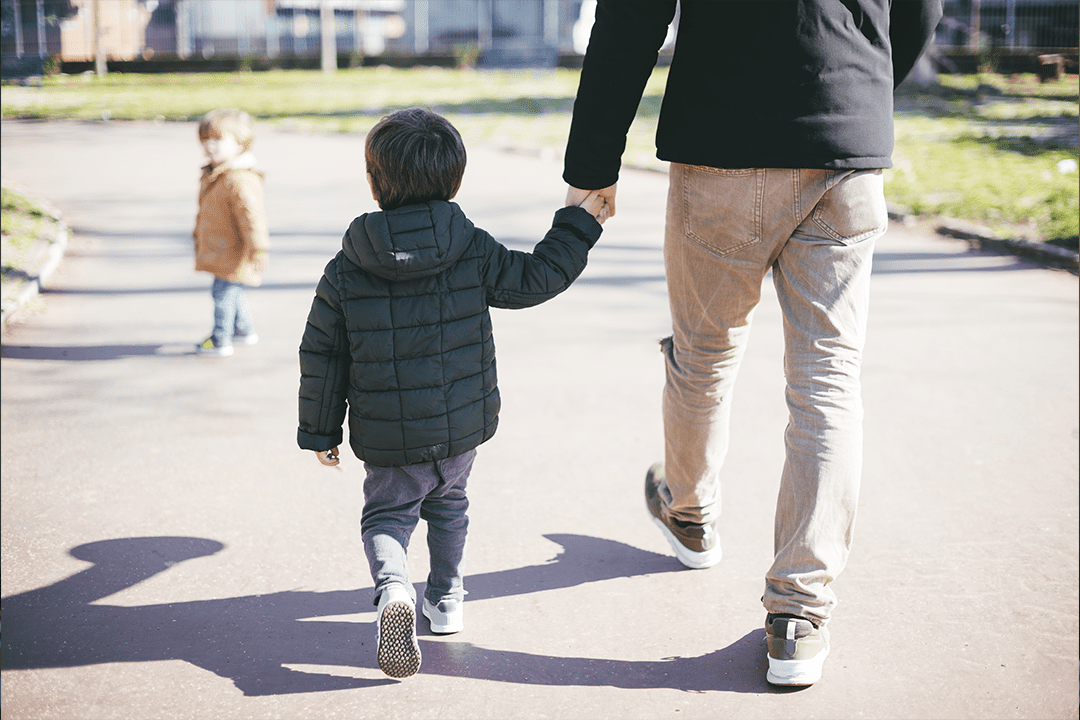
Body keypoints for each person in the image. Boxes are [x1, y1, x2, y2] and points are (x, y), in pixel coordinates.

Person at [563, 0, 941, 686]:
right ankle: (799, 615)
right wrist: (860, 95)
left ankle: (689, 509)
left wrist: (592, 165)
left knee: (703, 352)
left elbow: (629, 21)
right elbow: (921, 7)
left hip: (720, 143)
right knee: (828, 382)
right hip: (842, 143)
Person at [296, 107, 606, 679]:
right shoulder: (471, 247)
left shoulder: (346, 267)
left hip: (388, 434)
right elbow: (536, 277)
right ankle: (445, 599)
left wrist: (319, 431)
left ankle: (394, 591)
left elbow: (323, 352)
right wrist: (579, 221)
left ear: (373, 181)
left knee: (388, 516)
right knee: (450, 505)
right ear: (455, 180)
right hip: (462, 427)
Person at [193, 109, 270, 358]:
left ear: (239, 144)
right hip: (221, 247)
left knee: (223, 293)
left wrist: (258, 248)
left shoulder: (238, 179)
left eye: (217, 139)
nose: (209, 145)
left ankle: (220, 339)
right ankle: (243, 329)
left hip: (232, 251)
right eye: (205, 138)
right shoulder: (216, 173)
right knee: (232, 291)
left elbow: (252, 218)